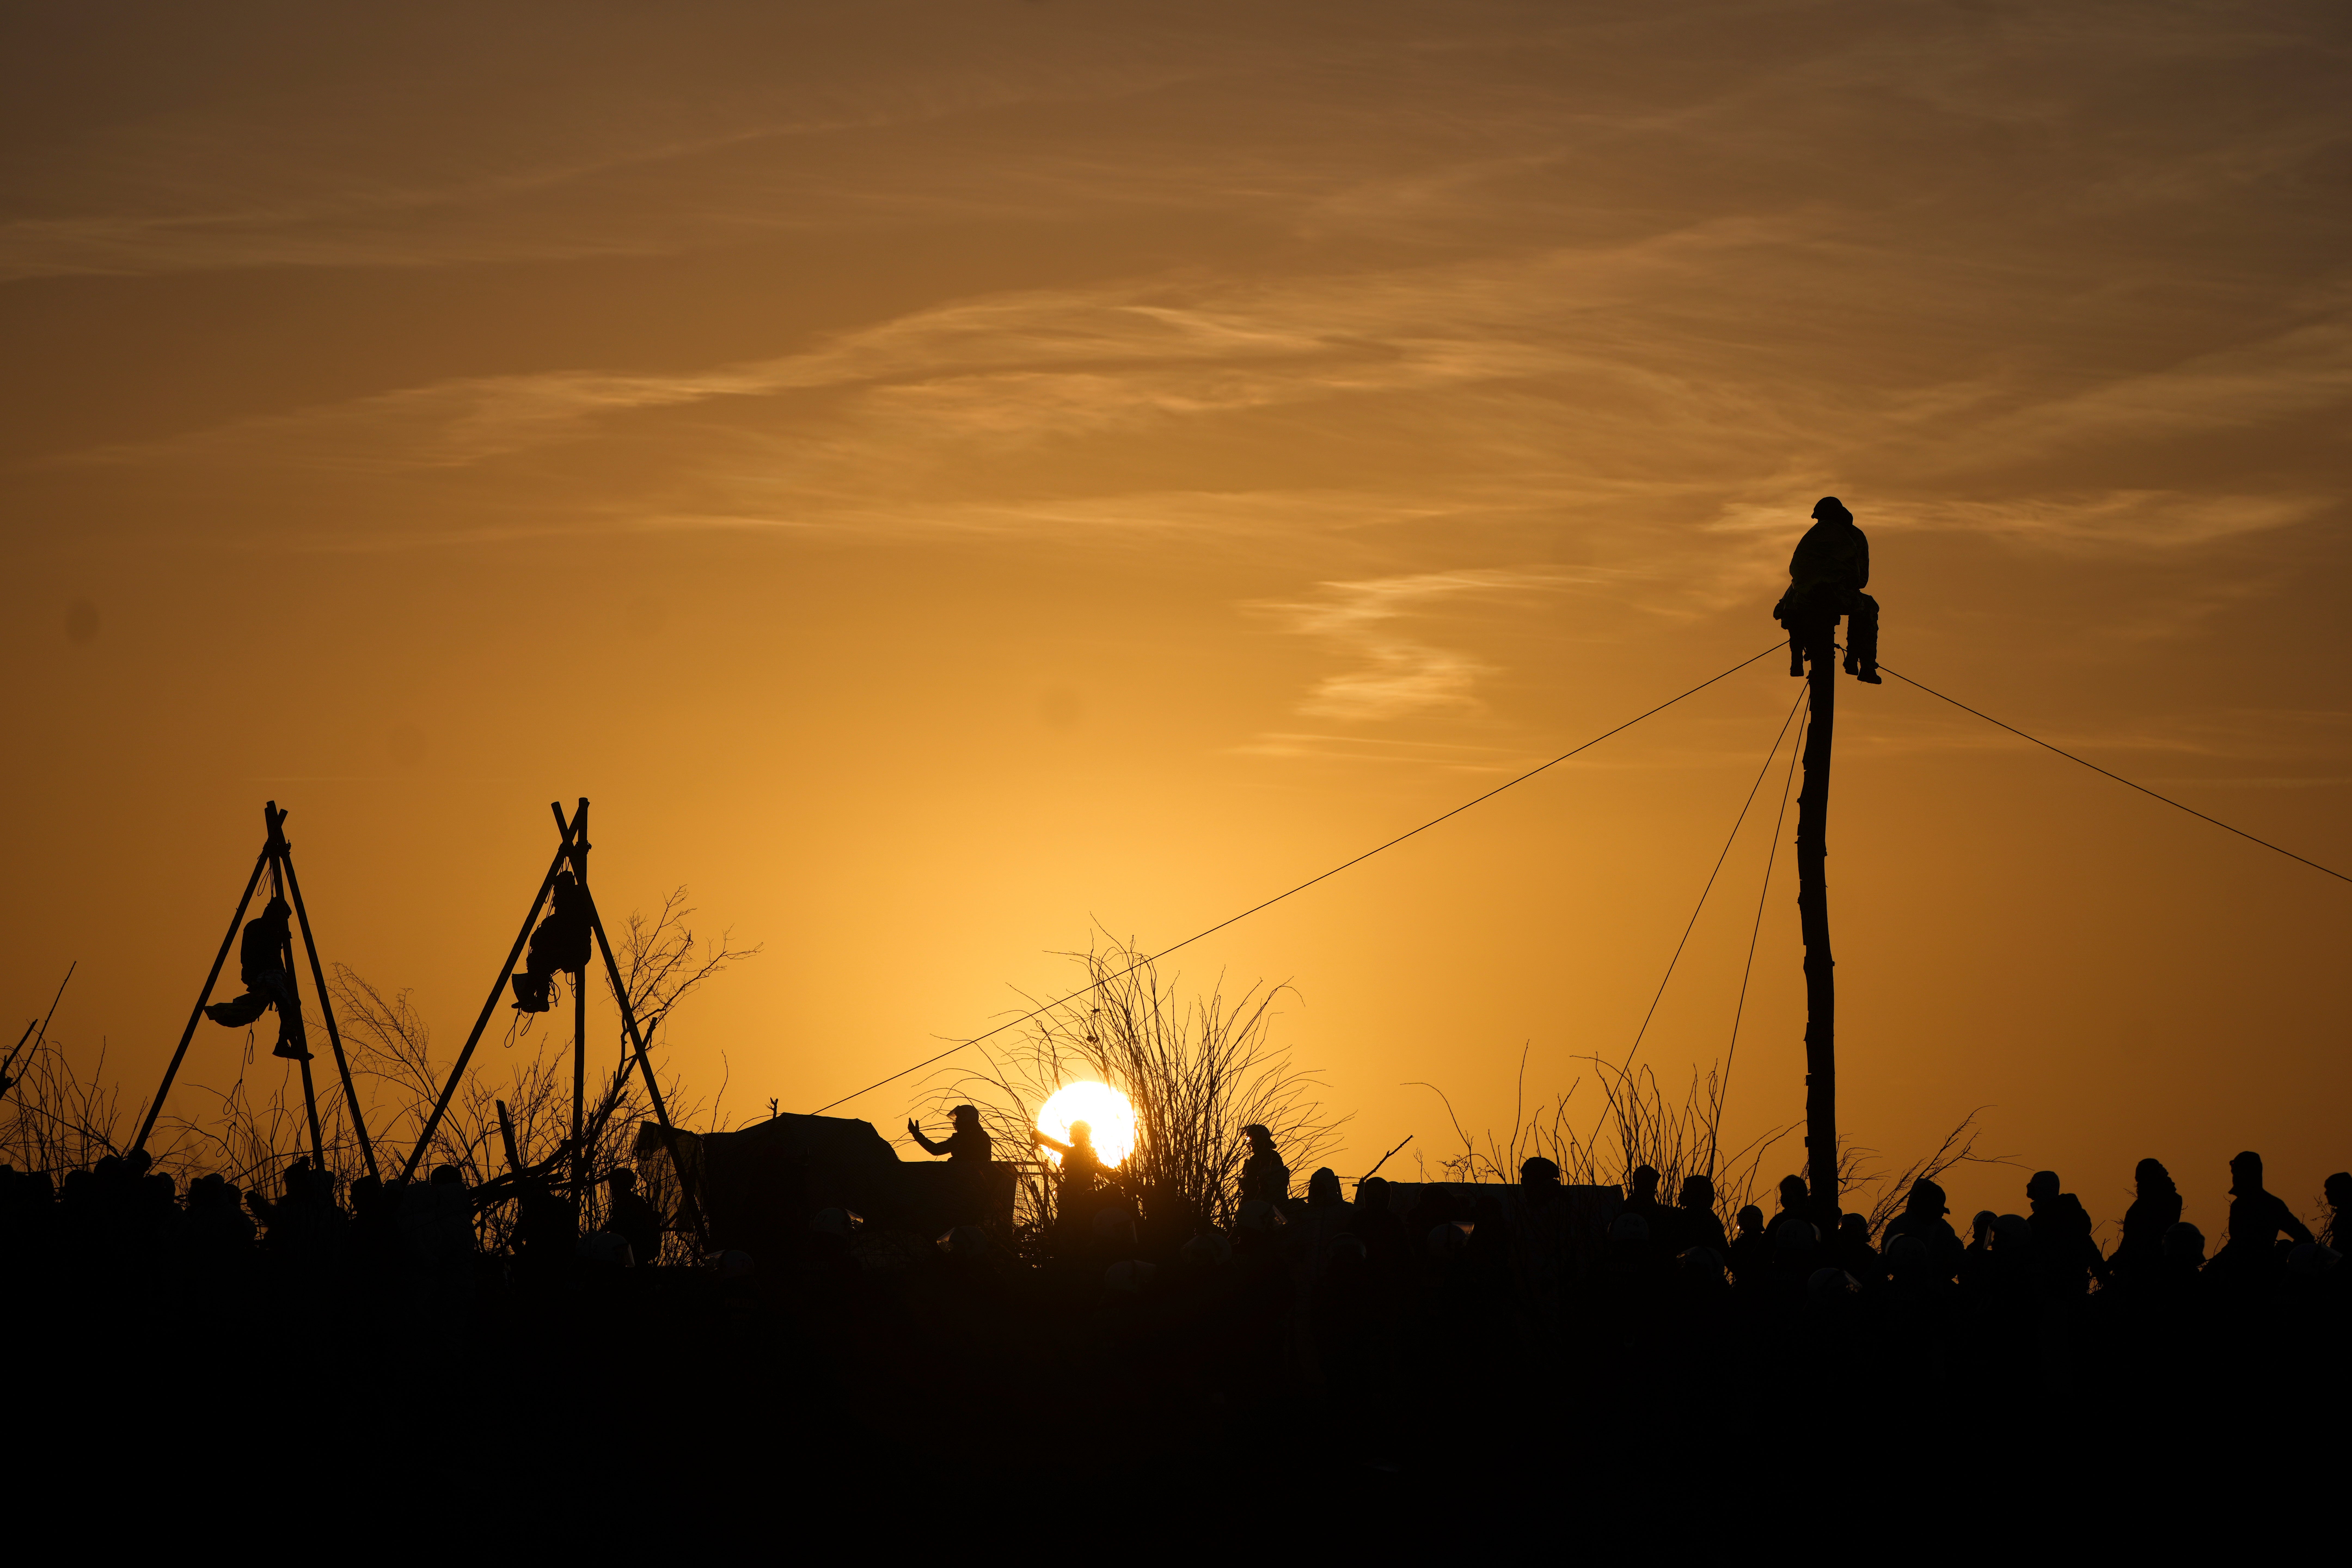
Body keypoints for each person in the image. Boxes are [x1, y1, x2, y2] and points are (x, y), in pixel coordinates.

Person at [1773, 496, 1880, 683]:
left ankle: (1798, 658)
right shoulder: (1854, 536)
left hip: (1806, 597)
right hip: (1838, 596)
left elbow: (1797, 572)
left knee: (1791, 603)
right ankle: (1864, 665)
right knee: (1868, 606)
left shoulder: (1811, 536)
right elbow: (1862, 580)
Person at [203, 896, 310, 1060]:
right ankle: (286, 1044)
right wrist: (279, 936)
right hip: (266, 974)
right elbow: (257, 951)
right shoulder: (257, 926)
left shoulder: (270, 929)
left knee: (293, 1005)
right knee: (287, 1005)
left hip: (277, 974)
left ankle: (288, 1044)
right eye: (284, 918)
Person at [2211, 1150, 2312, 1277]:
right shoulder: (2246, 1204)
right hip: (2241, 1268)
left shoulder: (2270, 1204)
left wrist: (2282, 1256)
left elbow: (2304, 1236)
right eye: (2235, 1173)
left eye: (2239, 1173)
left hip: (2253, 1272)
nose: (2235, 1177)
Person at [511, 869, 592, 1013]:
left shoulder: (570, 908)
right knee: (540, 962)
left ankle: (535, 997)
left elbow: (553, 931)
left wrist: (542, 936)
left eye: (557, 889)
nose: (555, 893)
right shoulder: (572, 905)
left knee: (538, 961)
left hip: (574, 952)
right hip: (574, 951)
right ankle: (530, 996)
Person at [1032, 1119, 1114, 1233]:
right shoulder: (1090, 1154)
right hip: (1086, 1196)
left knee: (1067, 1224)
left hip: (1072, 1196)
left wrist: (1039, 1136)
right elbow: (1104, 1170)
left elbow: (1055, 1144)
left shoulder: (1074, 1152)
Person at [2110, 1158, 2183, 1286]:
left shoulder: (2143, 1207)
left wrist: (2109, 1265)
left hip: (2143, 1272)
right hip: (2154, 1269)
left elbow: (2131, 1245)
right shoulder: (2170, 1199)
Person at [605, 1168, 663, 1268]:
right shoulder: (629, 1202)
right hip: (634, 1253)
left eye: (614, 1185)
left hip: (636, 1250)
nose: (612, 1189)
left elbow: (623, 1226)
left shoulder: (629, 1204)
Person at [907, 1105, 992, 1163]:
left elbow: (936, 1150)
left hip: (962, 1177)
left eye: (958, 1118)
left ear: (965, 1119)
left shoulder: (962, 1138)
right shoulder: (984, 1136)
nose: (956, 1122)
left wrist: (917, 1135)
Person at [1239, 1124, 1290, 1207]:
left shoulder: (1261, 1158)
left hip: (1260, 1204)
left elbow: (1251, 1185)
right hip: (1271, 1203)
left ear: (1259, 1140)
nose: (1251, 1144)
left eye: (1252, 1140)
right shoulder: (1273, 1156)